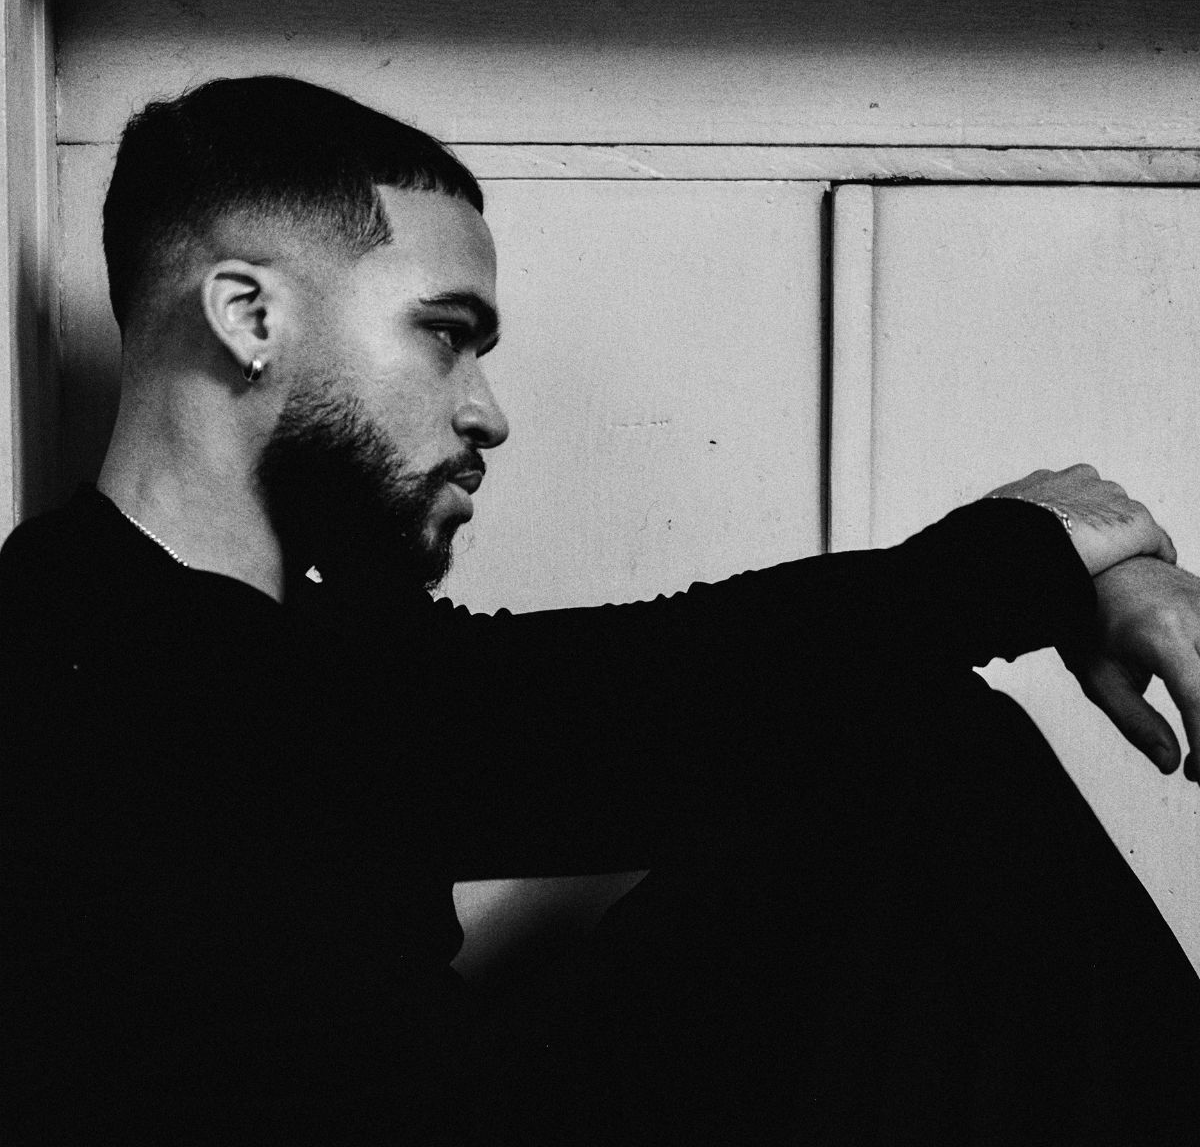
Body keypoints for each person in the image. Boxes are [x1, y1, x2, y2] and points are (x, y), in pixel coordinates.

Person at [2, 76, 1198, 1146]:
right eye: (446, 335)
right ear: (250, 316)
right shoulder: (66, 639)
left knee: (918, 749)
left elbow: (645, 694)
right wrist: (1045, 542)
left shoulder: (325, 653)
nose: (487, 413)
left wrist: (1080, 564)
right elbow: (605, 709)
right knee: (914, 744)